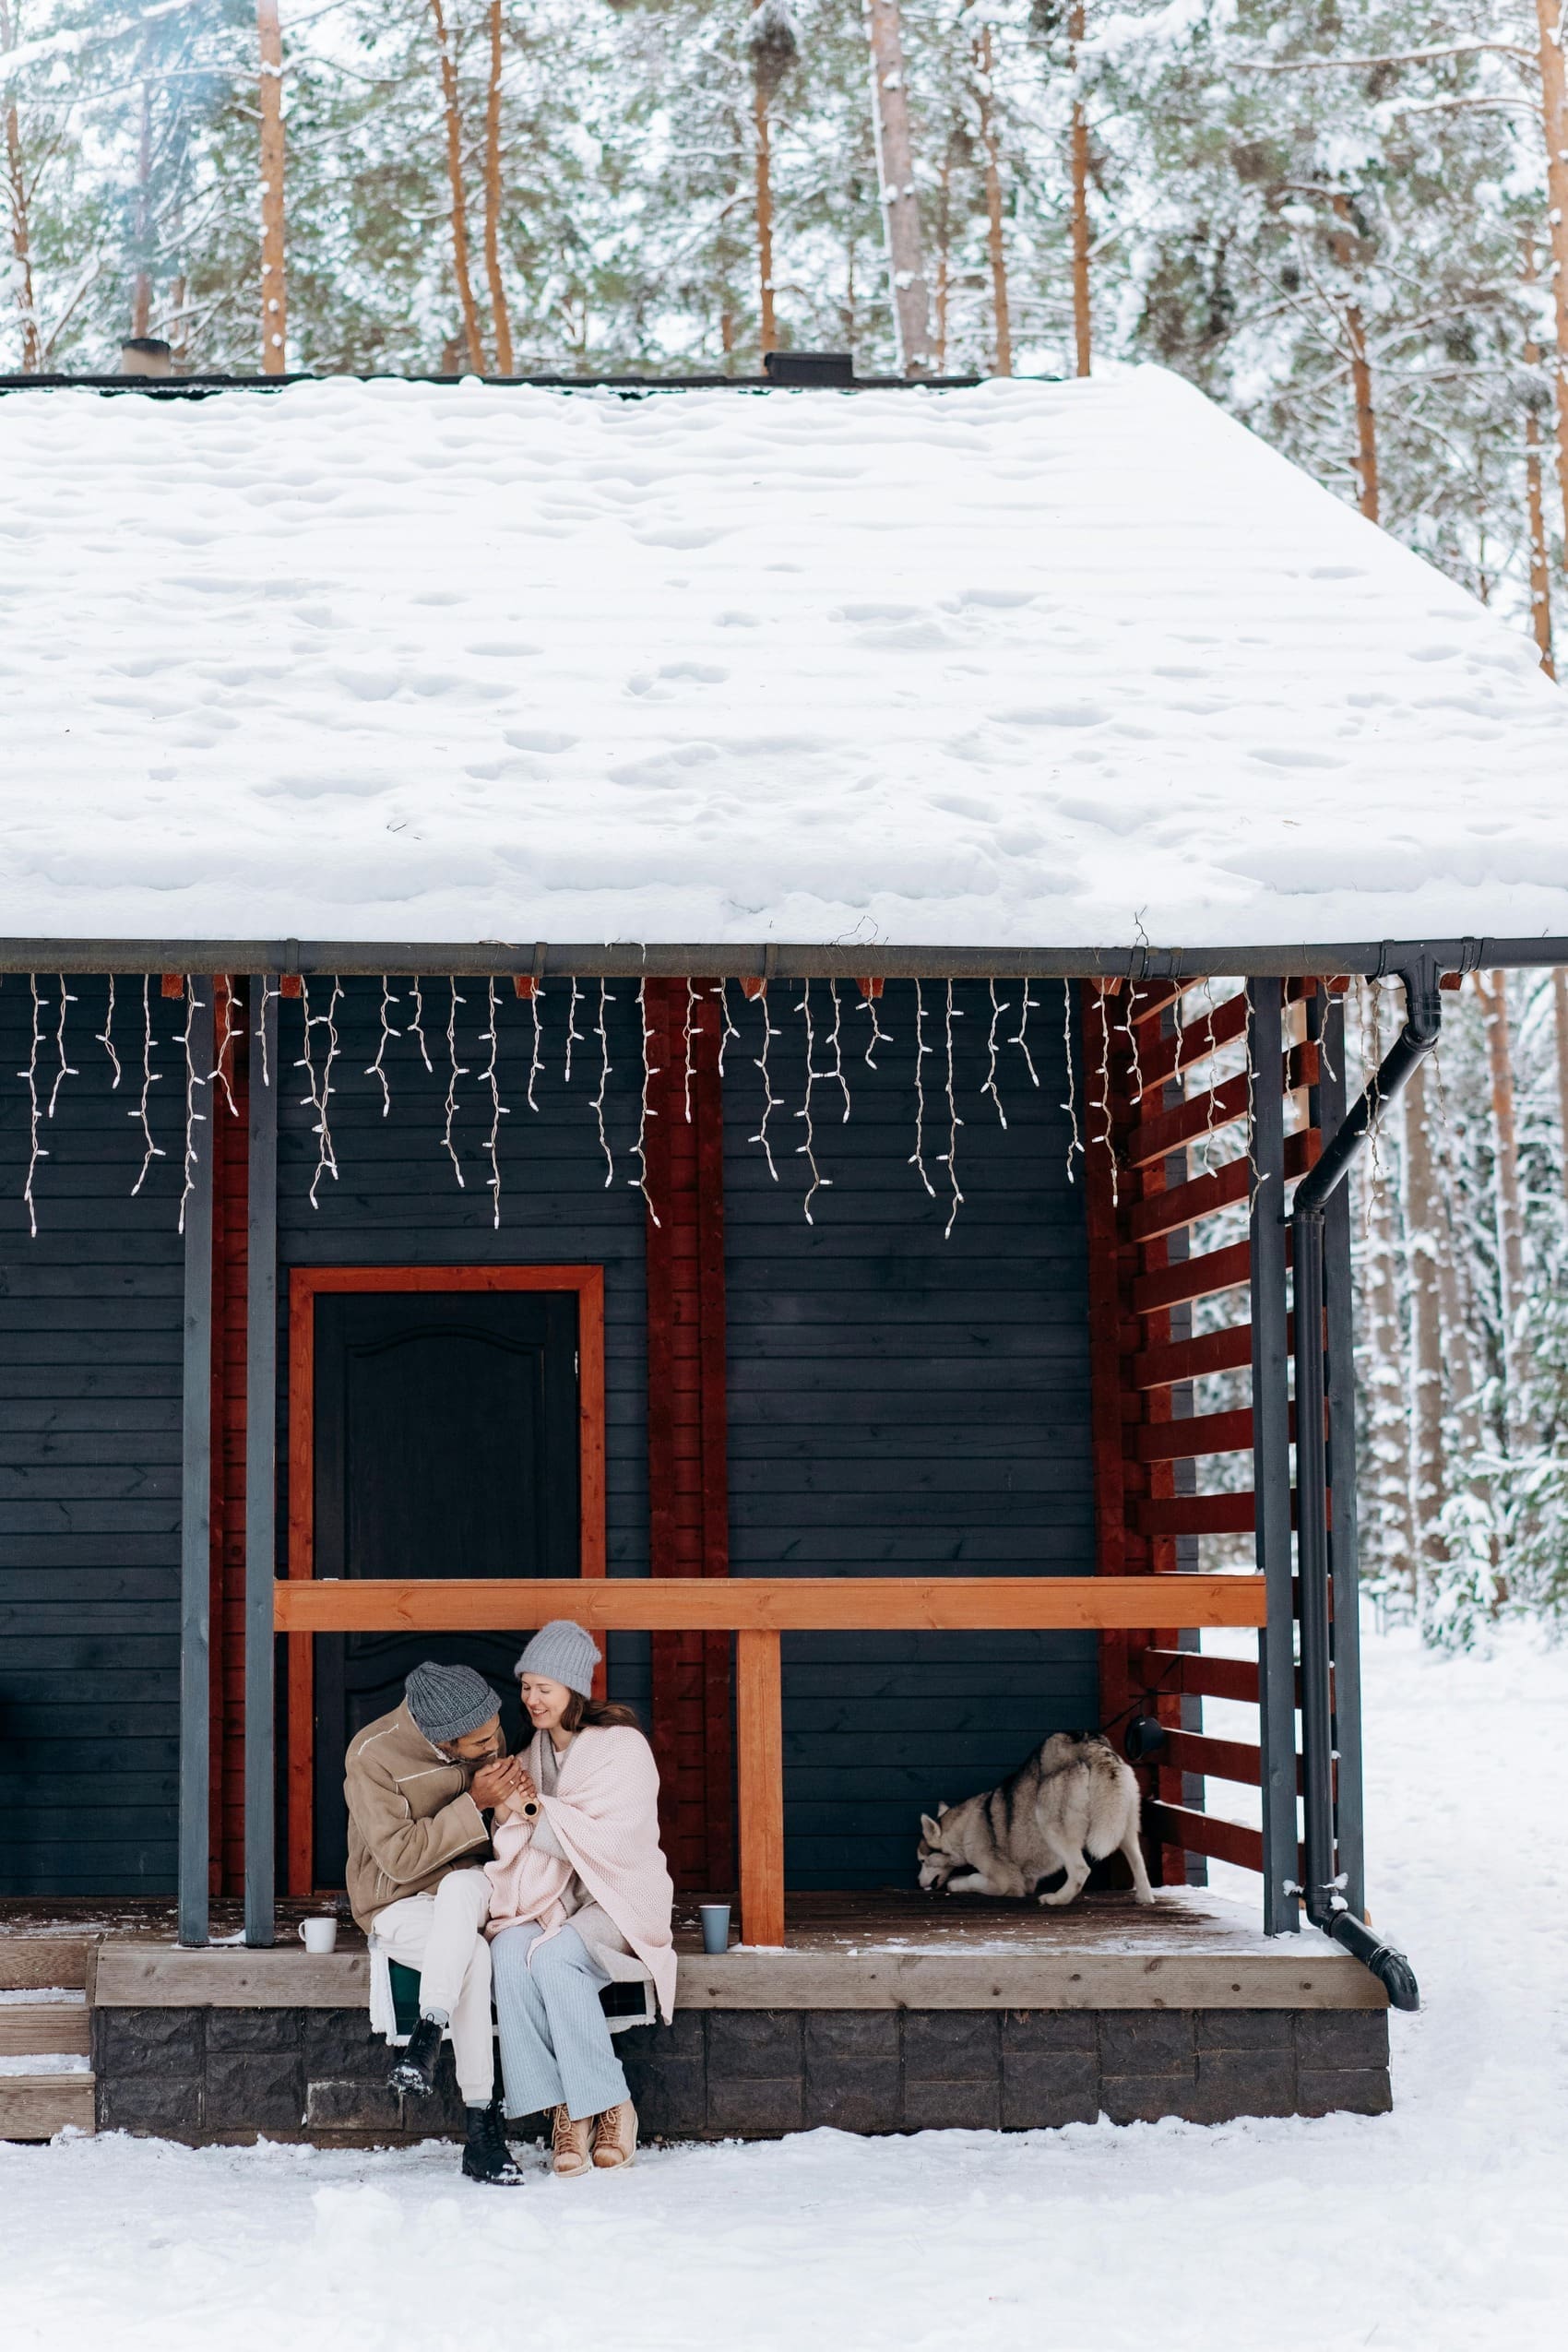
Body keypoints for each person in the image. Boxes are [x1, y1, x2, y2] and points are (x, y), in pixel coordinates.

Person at [486, 1621, 676, 2177]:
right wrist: (516, 1811)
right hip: (556, 1899)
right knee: (506, 1951)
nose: (532, 1698)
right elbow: (522, 1831)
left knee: (552, 1955)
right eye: (526, 1686)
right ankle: (566, 2107)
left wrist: (526, 1811)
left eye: (545, 1687)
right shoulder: (532, 1754)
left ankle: (611, 2103)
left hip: (620, 1896)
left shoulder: (622, 1748)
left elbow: (613, 1839)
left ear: (573, 1688)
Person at [343, 1658, 526, 2187]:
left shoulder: (485, 1736)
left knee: (461, 1887)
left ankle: (428, 2032)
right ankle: (482, 2132)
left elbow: (504, 1830)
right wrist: (474, 1802)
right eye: (478, 1745)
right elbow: (398, 1859)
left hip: (466, 1892)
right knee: (475, 1956)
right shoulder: (372, 1756)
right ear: (443, 1744)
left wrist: (507, 1803)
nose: (494, 1747)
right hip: (396, 1903)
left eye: (496, 1733)